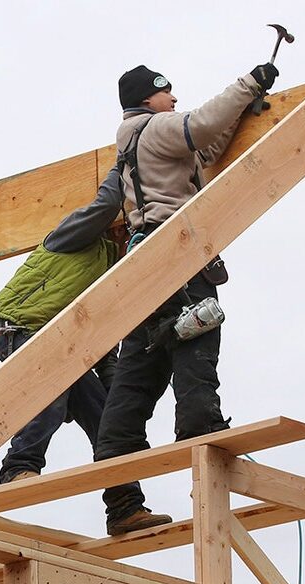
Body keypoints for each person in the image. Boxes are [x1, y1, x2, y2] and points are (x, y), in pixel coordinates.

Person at [94, 62, 279, 536]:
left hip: (142, 266)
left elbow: (209, 146)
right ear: (145, 98)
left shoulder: (135, 139)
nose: (173, 98)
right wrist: (249, 84)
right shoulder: (155, 128)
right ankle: (202, 441)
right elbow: (201, 124)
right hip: (175, 253)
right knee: (196, 339)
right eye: (165, 92)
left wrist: (243, 112)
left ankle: (122, 503)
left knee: (137, 372)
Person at [0, 166, 124, 483]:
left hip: (66, 347)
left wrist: (115, 396)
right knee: (52, 389)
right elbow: (105, 205)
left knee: (109, 422)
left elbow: (105, 344)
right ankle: (18, 466)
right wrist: (124, 163)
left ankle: (124, 504)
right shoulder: (77, 233)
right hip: (19, 326)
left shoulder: (114, 270)